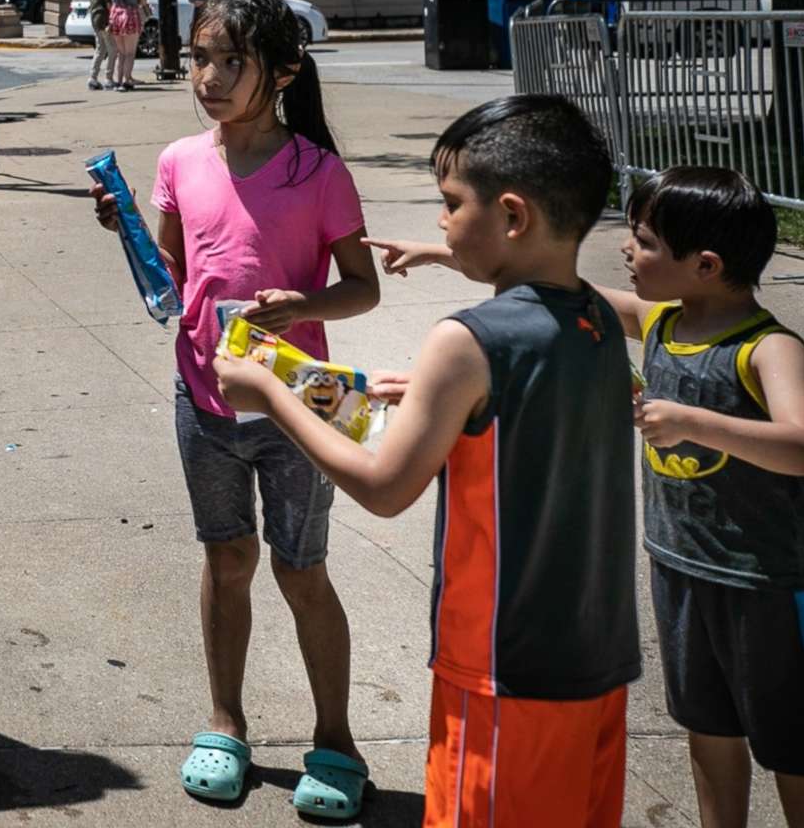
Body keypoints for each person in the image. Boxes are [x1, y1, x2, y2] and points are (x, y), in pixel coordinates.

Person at [241, 96, 638, 828]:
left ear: (512, 217)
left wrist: (271, 393)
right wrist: (435, 399)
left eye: (451, 204)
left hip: (499, 665)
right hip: (596, 654)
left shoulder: (467, 341)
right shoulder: (599, 321)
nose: (441, 221)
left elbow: (386, 488)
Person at [90, 0, 380, 817]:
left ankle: (336, 739)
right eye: (198, 59)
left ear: (283, 71)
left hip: (297, 402)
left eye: (231, 62)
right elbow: (175, 282)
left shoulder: (318, 172)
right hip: (204, 398)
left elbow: (360, 289)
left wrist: (302, 307)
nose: (209, 78)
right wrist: (132, 237)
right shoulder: (181, 161)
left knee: (301, 568)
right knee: (227, 560)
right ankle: (225, 723)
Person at [591, 169, 804, 827]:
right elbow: (580, 294)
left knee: (796, 744)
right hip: (680, 568)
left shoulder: (767, 349)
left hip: (763, 583)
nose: (626, 251)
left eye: (642, 241)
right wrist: (476, 253)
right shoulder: (664, 321)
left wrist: (695, 422)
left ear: (704, 264)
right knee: (707, 725)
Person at [103, 0, 147, 90]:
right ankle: (127, 81)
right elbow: (143, 0)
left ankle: (119, 81)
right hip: (130, 15)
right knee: (130, 53)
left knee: (121, 53)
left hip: (115, 16)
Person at [86, 0, 117, 91]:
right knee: (113, 50)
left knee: (100, 49)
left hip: (95, 20)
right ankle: (108, 79)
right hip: (104, 20)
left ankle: (92, 78)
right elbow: (111, 3)